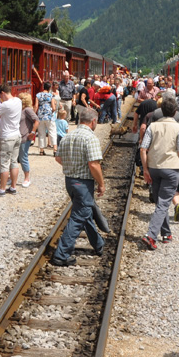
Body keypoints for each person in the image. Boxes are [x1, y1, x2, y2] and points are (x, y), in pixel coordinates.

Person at [51, 108, 105, 266]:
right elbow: (94, 164)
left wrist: (72, 167)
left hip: (70, 181)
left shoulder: (69, 135)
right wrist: (101, 183)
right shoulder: (90, 138)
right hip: (83, 183)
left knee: (85, 213)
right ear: (93, 121)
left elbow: (58, 158)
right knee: (78, 217)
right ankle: (61, 254)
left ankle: (98, 244)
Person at [140, 96, 179, 248]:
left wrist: (145, 169)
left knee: (161, 202)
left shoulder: (152, 127)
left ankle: (166, 233)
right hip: (171, 167)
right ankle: (151, 235)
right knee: (163, 203)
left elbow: (143, 149)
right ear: (175, 112)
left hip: (154, 167)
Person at [0, 84, 22, 196]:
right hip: (17, 135)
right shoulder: (18, 101)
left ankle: (2, 189)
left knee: (4, 164)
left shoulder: (6, 105)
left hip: (7, 137)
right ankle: (13, 187)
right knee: (14, 162)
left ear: (2, 93)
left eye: (0, 96)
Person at [17, 93, 39, 188]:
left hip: (25, 137)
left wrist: (33, 133)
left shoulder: (27, 110)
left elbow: (37, 120)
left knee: (23, 157)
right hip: (19, 137)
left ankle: (27, 178)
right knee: (17, 158)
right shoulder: (22, 110)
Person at [35, 81, 58, 156]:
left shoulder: (38, 95)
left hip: (40, 116)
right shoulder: (51, 96)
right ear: (50, 88)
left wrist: (35, 114)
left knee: (41, 133)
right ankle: (55, 150)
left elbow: (36, 106)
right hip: (49, 116)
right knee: (52, 132)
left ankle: (41, 150)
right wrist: (51, 110)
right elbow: (54, 108)